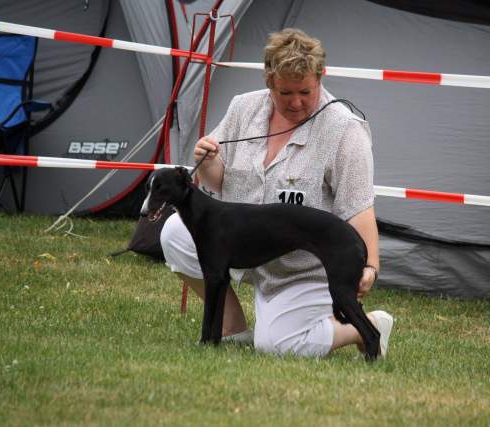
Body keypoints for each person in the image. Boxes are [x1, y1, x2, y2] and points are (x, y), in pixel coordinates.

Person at [160, 28, 393, 358]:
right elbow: (219, 181)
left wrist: (370, 266)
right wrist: (208, 162)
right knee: (174, 232)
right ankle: (232, 327)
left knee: (278, 346)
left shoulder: (345, 130)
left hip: (299, 269)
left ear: (320, 77)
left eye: (306, 91)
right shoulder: (243, 108)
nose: (296, 102)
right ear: (269, 81)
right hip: (242, 244)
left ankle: (365, 326)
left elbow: (358, 207)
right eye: (285, 93)